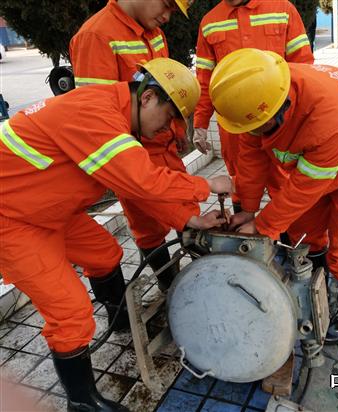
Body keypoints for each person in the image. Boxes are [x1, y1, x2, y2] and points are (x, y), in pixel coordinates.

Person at [0, 58, 232, 411]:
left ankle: (120, 320)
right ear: (148, 97)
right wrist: (206, 185)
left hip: (45, 208)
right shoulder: (94, 113)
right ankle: (82, 402)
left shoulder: (115, 117)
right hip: (11, 220)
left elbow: (134, 189)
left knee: (105, 254)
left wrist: (190, 220)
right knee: (70, 313)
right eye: (169, 116)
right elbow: (143, 181)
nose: (168, 128)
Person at [211, 49, 338, 344]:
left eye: (258, 127)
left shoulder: (328, 119)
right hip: (322, 153)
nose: (254, 132)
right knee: (304, 231)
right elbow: (252, 158)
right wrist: (247, 209)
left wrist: (263, 225)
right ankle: (315, 288)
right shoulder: (258, 96)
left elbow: (306, 187)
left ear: (280, 109)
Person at [70, 0, 196, 292]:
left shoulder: (154, 33)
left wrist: (177, 127)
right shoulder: (96, 36)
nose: (167, 17)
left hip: (164, 145)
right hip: (135, 154)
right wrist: (130, 167)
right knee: (149, 225)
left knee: (188, 208)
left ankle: (200, 276)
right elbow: (97, 117)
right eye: (167, 5)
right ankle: (169, 286)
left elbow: (169, 90)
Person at [192, 0, 314, 215]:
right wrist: (200, 124)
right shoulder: (210, 22)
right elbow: (205, 80)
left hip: (278, 119)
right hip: (236, 125)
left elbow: (303, 67)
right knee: (240, 183)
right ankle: (243, 228)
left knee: (283, 182)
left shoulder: (282, 9)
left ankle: (284, 231)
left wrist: (303, 115)